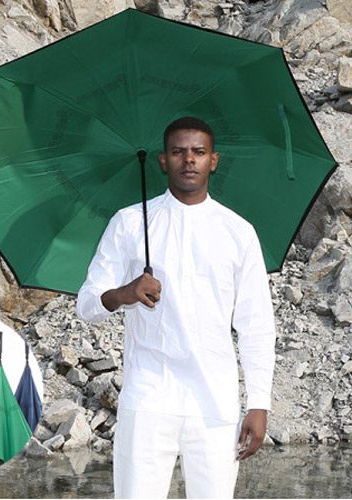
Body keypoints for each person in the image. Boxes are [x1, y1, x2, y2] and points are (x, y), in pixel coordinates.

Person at [76, 117, 276, 499]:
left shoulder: (238, 232)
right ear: (162, 160)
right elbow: (86, 304)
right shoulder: (130, 222)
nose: (189, 160)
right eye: (178, 151)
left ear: (213, 160)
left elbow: (257, 326)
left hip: (215, 402)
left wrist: (259, 404)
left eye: (198, 152)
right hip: (148, 397)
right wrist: (125, 293)